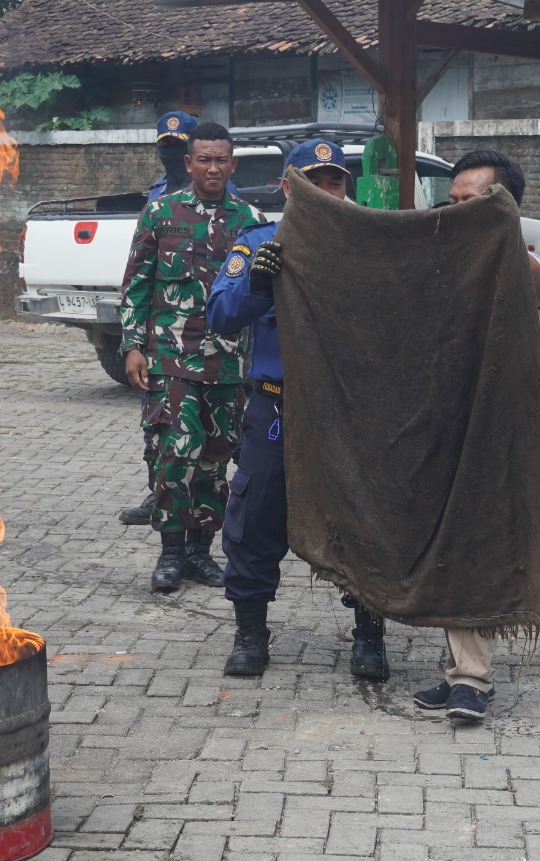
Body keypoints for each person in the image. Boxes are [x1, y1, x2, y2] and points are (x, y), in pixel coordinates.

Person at [204, 138, 393, 683]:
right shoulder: (262, 242)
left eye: (335, 180)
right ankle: (250, 634)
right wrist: (260, 285)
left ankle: (370, 634)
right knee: (253, 518)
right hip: (277, 408)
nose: (326, 189)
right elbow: (220, 312)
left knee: (364, 520)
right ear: (290, 188)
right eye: (314, 180)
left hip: (349, 412)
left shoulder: (368, 245)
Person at [409, 148, 540, 722]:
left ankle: (474, 679)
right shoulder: (440, 260)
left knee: (476, 543)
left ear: (507, 209)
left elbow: (530, 285)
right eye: (455, 201)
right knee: (444, 545)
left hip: (495, 434)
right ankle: (457, 670)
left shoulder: (525, 266)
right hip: (440, 425)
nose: (459, 211)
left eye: (476, 203)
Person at [118, 121, 261, 593]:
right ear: (189, 163)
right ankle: (171, 554)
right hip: (171, 359)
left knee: (216, 461)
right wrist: (133, 346)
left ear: (233, 164)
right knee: (174, 456)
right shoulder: (161, 214)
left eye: (222, 159)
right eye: (205, 159)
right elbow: (136, 285)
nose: (213, 167)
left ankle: (201, 553)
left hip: (227, 363)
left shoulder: (250, 221)